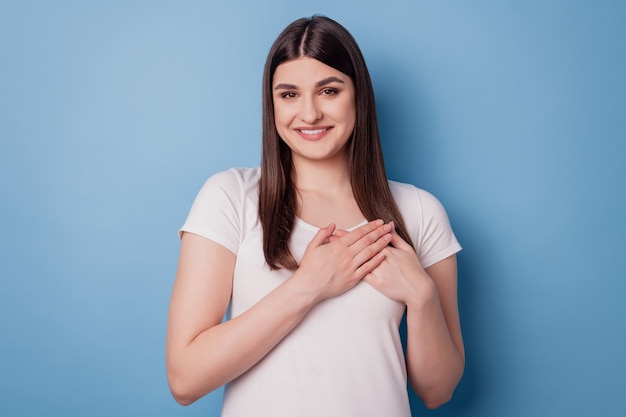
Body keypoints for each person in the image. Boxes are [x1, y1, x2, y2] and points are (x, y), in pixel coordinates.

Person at [166, 15, 465, 417]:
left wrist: (422, 296)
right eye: (288, 94)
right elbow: (185, 380)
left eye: (328, 90)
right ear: (271, 104)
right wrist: (308, 286)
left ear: (358, 96)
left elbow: (438, 391)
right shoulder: (230, 197)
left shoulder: (419, 211)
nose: (309, 114)